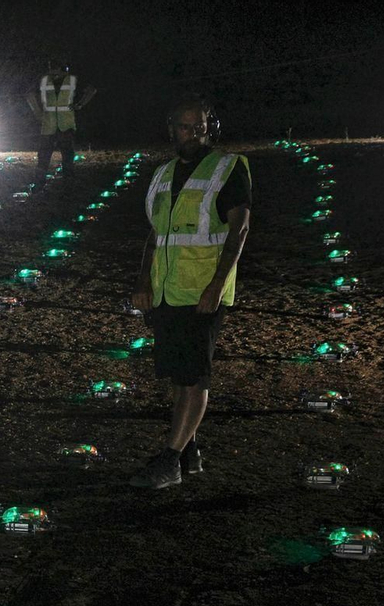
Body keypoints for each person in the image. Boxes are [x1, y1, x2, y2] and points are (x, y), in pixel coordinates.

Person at [129, 98, 252, 489]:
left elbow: (239, 231)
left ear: (209, 128)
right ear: (172, 129)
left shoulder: (228, 168)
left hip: (202, 291)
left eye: (200, 126)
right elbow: (156, 234)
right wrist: (144, 282)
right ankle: (190, 450)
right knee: (179, 376)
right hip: (168, 291)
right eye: (185, 126)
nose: (193, 133)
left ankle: (170, 461)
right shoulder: (163, 174)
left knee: (196, 379)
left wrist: (216, 286)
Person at [26, 62, 95, 176]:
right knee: (46, 155)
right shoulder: (45, 80)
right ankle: (43, 179)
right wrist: (37, 112)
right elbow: (29, 94)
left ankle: (64, 180)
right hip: (52, 124)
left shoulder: (72, 80)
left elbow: (91, 90)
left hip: (63, 124)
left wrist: (80, 104)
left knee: (63, 154)